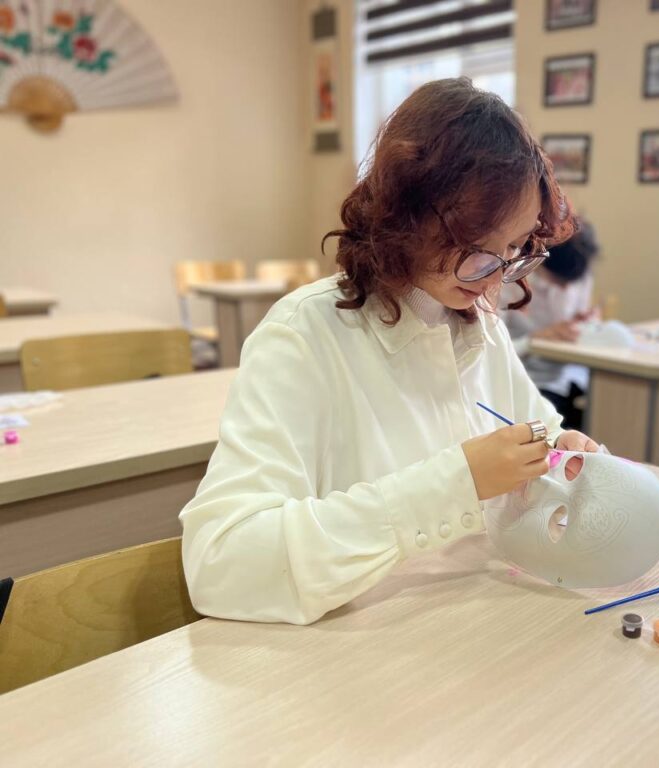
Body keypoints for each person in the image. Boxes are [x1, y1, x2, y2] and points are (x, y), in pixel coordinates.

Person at [179, 78, 602, 625]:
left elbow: (536, 440)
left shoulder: (480, 325)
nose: (496, 278)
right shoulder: (304, 336)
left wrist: (561, 456)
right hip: (353, 647)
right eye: (479, 248)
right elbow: (221, 564)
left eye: (516, 248)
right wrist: (456, 485)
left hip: (470, 625)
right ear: (406, 216)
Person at [502, 220, 599, 430]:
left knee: (604, 404)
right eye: (558, 283)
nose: (565, 290)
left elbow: (578, 319)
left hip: (572, 373)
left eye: (571, 284)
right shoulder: (509, 282)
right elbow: (492, 351)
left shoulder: (580, 275)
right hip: (532, 379)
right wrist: (535, 340)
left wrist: (585, 323)